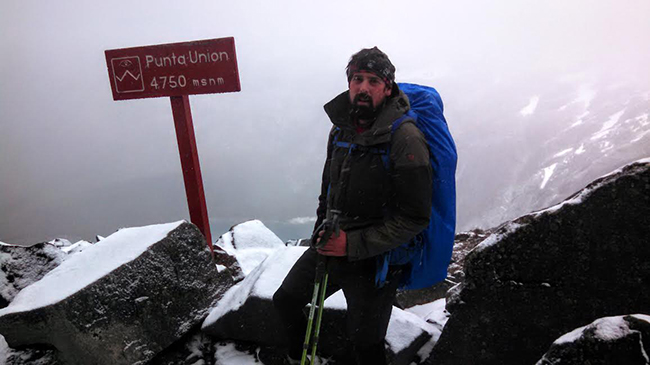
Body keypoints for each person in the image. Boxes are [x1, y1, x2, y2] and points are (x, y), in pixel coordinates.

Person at [273, 47, 432, 365]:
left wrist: (352, 243)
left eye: (373, 80)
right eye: (357, 78)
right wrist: (322, 228)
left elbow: (416, 216)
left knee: (366, 342)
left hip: (377, 259)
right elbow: (328, 189)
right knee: (286, 299)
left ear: (388, 88)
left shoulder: (405, 139)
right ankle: (299, 356)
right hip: (331, 243)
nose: (363, 87)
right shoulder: (341, 128)